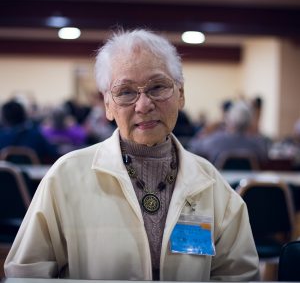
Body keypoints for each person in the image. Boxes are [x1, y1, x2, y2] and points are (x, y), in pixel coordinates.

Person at [4, 29, 260, 281]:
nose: (143, 105)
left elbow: (238, 276)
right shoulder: (65, 178)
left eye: (158, 87)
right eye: (126, 92)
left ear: (180, 93)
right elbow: (26, 273)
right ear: (107, 105)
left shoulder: (214, 187)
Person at [188, 99, 268, 165]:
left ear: (230, 120)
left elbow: (193, 146)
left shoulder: (216, 140)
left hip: (221, 183)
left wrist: (205, 131)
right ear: (250, 122)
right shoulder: (258, 143)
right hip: (249, 183)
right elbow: (265, 157)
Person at [0, 99, 59, 163]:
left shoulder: (2, 138)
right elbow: (53, 154)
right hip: (36, 172)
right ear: (24, 115)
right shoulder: (36, 136)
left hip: (5, 172)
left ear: (4, 118)